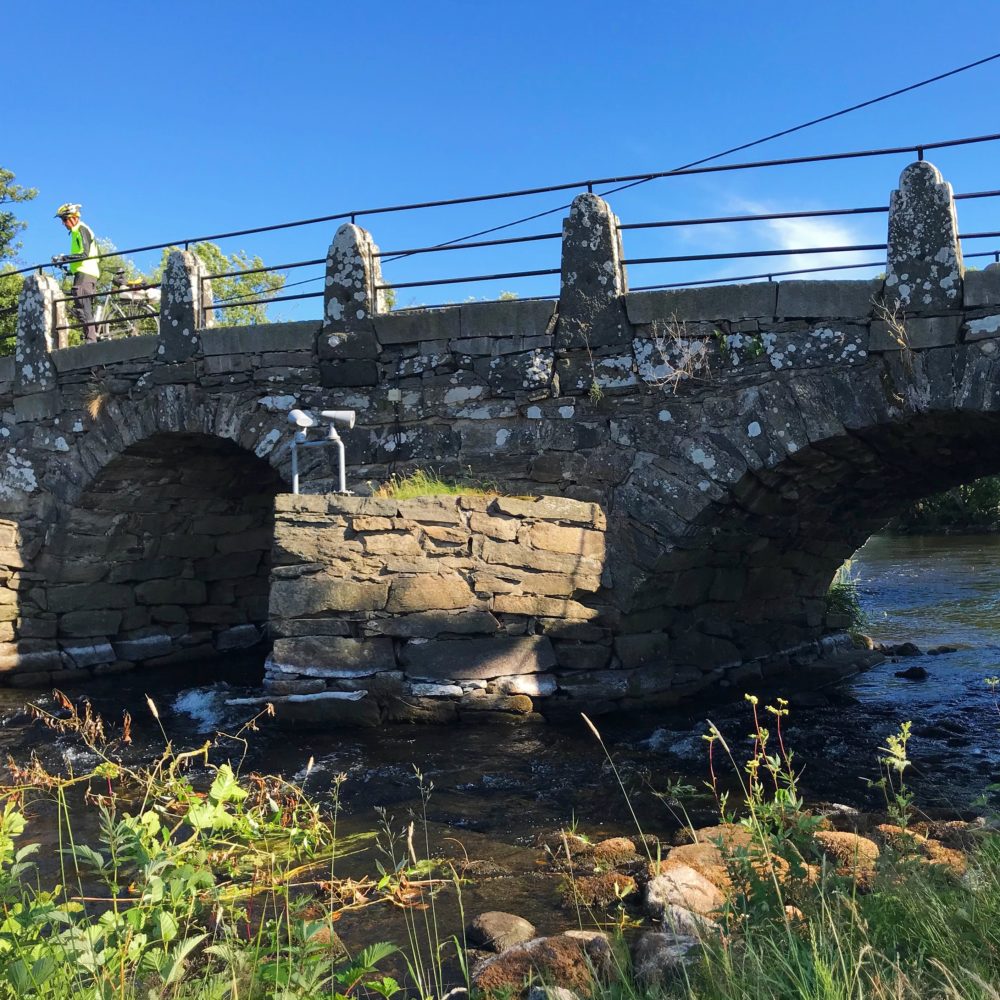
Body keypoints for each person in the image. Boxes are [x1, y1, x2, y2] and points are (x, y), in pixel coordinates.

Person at [52, 203, 100, 342]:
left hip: (86, 272)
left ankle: (91, 339)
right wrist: (67, 267)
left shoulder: (81, 229)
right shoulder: (76, 232)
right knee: (80, 304)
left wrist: (64, 258)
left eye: (64, 219)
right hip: (83, 272)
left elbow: (84, 254)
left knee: (82, 306)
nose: (63, 223)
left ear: (73, 218)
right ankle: (90, 335)